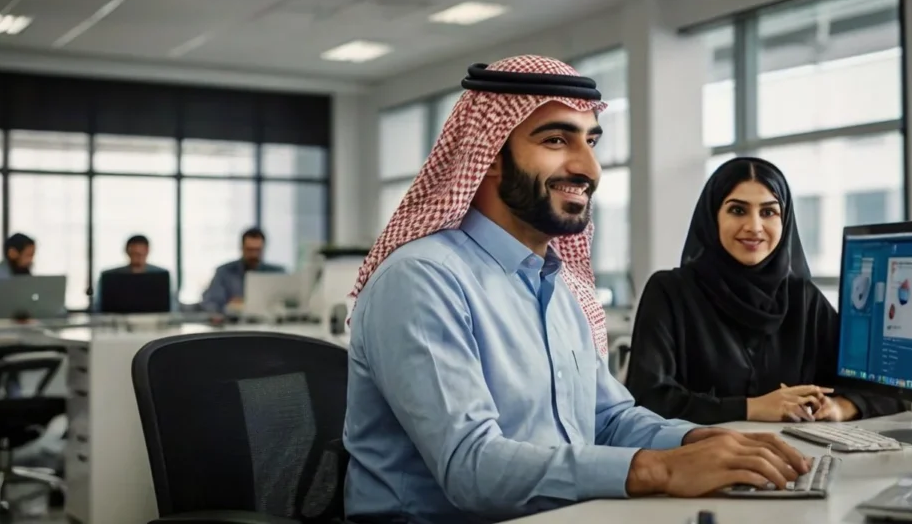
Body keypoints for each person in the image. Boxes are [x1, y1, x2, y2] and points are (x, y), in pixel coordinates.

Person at [343, 57, 810, 524]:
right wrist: (659, 469)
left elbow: (607, 419)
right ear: (486, 157)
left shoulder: (554, 283)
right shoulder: (422, 279)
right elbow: (473, 468)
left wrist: (702, 443)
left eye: (591, 141)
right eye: (555, 140)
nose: (588, 167)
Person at [624, 157, 909, 425]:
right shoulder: (670, 292)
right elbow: (647, 399)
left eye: (769, 211)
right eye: (737, 210)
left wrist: (839, 407)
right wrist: (754, 408)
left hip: (796, 462)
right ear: (713, 218)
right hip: (699, 461)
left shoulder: (803, 299)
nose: (754, 227)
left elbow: (888, 389)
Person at [200, 227, 284, 318]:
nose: (253, 255)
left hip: (269, 325)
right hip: (234, 326)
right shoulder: (224, 272)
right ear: (242, 248)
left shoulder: (276, 273)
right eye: (250, 250)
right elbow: (210, 302)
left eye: (257, 250)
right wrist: (229, 307)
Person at [91, 235, 173, 312]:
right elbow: (98, 306)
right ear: (127, 252)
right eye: (134, 254)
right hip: (116, 322)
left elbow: (172, 305)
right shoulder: (109, 277)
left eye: (140, 254)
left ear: (147, 251)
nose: (137, 258)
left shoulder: (161, 275)